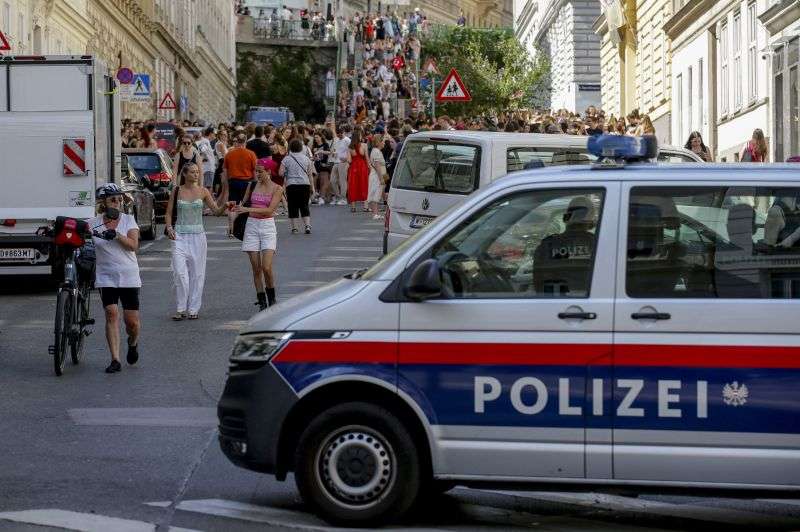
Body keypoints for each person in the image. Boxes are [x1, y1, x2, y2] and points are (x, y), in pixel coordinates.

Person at [164, 163, 228, 321]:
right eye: (192, 172)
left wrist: (225, 204)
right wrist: (169, 227)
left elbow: (216, 211)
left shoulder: (203, 191)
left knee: (197, 274)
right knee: (180, 273)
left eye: (197, 172)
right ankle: (180, 308)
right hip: (179, 236)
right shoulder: (177, 190)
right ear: (184, 174)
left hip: (198, 236)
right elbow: (168, 213)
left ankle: (193, 308)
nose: (196, 175)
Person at [90, 184, 141, 374]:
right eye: (113, 199)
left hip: (128, 276)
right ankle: (115, 359)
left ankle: (133, 342)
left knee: (132, 323)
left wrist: (117, 235)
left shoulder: (128, 221)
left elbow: (133, 246)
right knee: (111, 313)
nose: (117, 202)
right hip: (105, 276)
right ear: (103, 202)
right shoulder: (93, 222)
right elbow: (80, 233)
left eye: (119, 199)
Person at [238, 160, 284, 310]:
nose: (257, 174)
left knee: (266, 267)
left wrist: (247, 209)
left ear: (269, 172)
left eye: (260, 171)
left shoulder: (277, 188)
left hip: (267, 227)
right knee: (256, 268)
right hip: (251, 226)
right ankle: (262, 301)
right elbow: (242, 204)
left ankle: (272, 298)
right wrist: (235, 209)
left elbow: (270, 210)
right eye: (256, 171)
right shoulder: (252, 185)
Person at [223, 134, 258, 236]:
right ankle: (243, 228)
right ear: (245, 141)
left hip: (233, 181)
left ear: (236, 141)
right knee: (246, 205)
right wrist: (256, 184)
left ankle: (231, 229)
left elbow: (225, 171)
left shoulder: (229, 154)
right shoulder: (251, 154)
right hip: (247, 183)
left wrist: (226, 184)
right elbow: (255, 170)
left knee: (232, 206)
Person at [279, 138, 316, 234]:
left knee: (292, 206)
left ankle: (295, 228)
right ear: (300, 148)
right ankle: (307, 225)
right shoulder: (306, 159)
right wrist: (312, 188)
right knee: (304, 205)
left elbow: (280, 173)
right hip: (305, 184)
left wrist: (287, 172)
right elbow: (310, 174)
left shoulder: (286, 159)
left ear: (290, 147)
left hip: (291, 185)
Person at [347, 128, 370, 213]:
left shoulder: (350, 147)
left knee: (353, 185)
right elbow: (367, 158)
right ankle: (365, 206)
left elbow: (349, 160)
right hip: (362, 167)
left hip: (353, 168)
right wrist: (370, 167)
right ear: (358, 137)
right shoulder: (364, 145)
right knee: (364, 184)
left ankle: (353, 207)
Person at [367, 135, 387, 219]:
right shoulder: (376, 152)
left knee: (375, 193)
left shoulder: (376, 151)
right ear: (379, 142)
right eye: (383, 141)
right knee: (376, 193)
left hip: (376, 175)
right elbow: (377, 166)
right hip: (376, 176)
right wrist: (381, 178)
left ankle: (376, 213)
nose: (384, 143)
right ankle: (375, 213)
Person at [330, 125, 351, 205]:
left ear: (343, 132)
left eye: (340, 133)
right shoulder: (336, 140)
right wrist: (334, 154)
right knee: (332, 180)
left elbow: (351, 151)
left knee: (343, 181)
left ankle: (343, 198)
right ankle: (338, 196)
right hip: (336, 161)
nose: (339, 135)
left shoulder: (347, 140)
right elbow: (336, 150)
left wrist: (347, 159)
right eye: (338, 134)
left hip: (343, 162)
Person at [196, 127, 217, 200]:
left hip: (205, 168)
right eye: (214, 134)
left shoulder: (204, 141)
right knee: (208, 188)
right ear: (211, 134)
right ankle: (208, 205)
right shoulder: (205, 141)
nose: (215, 136)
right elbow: (203, 151)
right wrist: (203, 158)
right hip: (208, 168)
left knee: (206, 187)